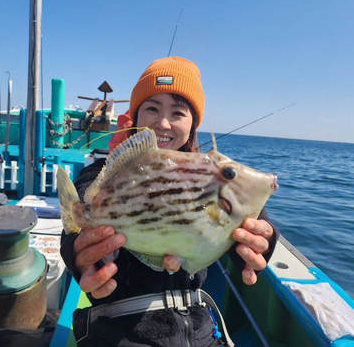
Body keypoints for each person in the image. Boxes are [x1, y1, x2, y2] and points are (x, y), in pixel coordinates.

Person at [60, 57, 279, 347]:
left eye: (178, 112)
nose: (163, 123)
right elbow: (81, 232)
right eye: (151, 108)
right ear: (135, 116)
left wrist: (263, 242)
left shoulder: (206, 175)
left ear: (192, 124)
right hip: (120, 332)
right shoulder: (100, 174)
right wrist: (86, 256)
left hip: (199, 328)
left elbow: (249, 230)